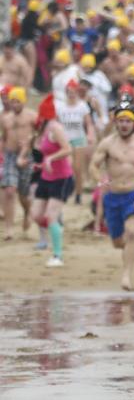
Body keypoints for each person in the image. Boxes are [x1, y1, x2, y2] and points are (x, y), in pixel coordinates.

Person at [89, 100, 134, 291]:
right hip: (112, 196)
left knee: (132, 233)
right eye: (121, 120)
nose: (124, 124)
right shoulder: (107, 144)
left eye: (128, 121)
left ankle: (126, 277)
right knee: (118, 242)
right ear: (116, 122)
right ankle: (126, 252)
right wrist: (100, 181)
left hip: (133, 196)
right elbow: (93, 165)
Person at [30, 95, 73, 267]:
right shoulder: (44, 128)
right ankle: (57, 230)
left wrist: (50, 159)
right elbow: (44, 152)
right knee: (36, 215)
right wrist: (40, 164)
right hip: (46, 177)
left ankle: (58, 255)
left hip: (61, 178)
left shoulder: (56, 128)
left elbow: (68, 149)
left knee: (51, 215)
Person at [1, 86, 37, 240]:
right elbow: (3, 137)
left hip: (27, 156)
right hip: (10, 156)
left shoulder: (32, 116)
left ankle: (27, 212)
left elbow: (40, 134)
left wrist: (30, 142)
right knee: (9, 190)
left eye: (17, 102)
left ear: (23, 101)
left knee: (24, 194)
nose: (14, 104)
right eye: (12, 101)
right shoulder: (5, 118)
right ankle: (8, 228)